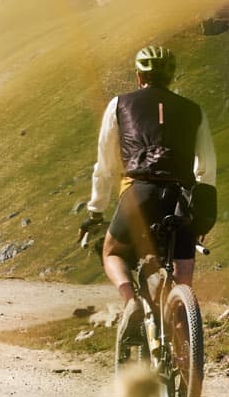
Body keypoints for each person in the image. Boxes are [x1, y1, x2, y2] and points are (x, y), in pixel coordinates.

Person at [80, 45, 217, 305]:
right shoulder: (194, 110)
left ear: (139, 76)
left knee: (112, 252)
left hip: (139, 192)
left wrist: (95, 211)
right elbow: (206, 168)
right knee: (183, 269)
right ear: (171, 76)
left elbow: (105, 167)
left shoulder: (119, 105)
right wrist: (201, 213)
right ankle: (183, 321)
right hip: (182, 197)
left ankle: (131, 302)